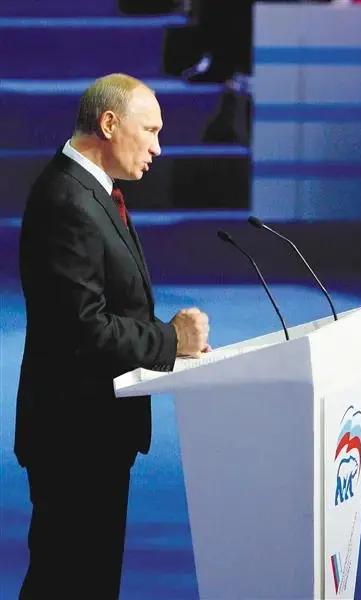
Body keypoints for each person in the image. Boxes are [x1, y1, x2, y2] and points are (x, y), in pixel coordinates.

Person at [15, 73, 210, 599]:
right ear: (108, 123)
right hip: (73, 439)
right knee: (66, 582)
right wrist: (170, 340)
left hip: (93, 434)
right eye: (150, 131)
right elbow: (85, 329)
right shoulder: (67, 200)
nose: (158, 147)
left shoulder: (91, 193)